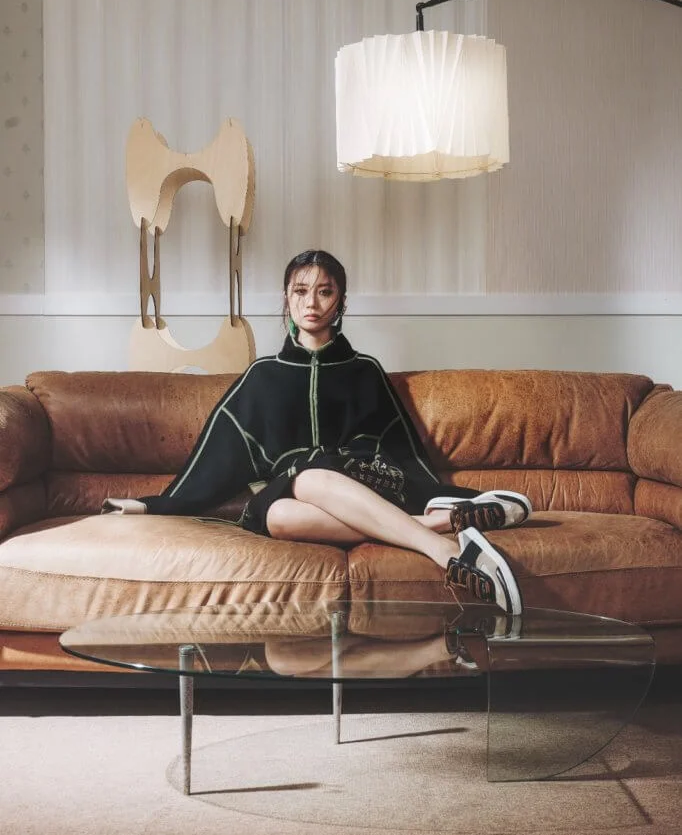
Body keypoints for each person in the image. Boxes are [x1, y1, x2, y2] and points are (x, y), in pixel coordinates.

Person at [103, 250, 531, 615]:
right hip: (290, 492)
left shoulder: (365, 371)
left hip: (360, 480)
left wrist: (427, 488)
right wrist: (149, 505)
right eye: (300, 291)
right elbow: (216, 457)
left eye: (324, 291)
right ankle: (439, 525)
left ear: (340, 301)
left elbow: (400, 447)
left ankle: (445, 551)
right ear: (286, 298)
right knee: (277, 516)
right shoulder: (262, 375)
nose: (311, 302)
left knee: (310, 477)